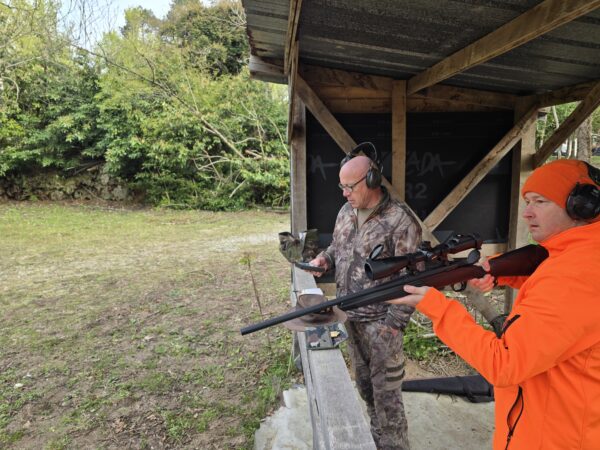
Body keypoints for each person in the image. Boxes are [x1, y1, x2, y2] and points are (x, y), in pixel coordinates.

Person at [388, 159, 600, 449]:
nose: (527, 212)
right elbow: (559, 302)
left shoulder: (575, 275)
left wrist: (438, 308)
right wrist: (501, 272)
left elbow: (503, 364)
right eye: (527, 201)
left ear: (583, 207)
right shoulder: (579, 257)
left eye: (540, 202)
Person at [308, 142, 421, 450]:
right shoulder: (346, 211)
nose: (344, 193)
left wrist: (392, 326)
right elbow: (337, 247)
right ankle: (375, 442)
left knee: (388, 403)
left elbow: (414, 279)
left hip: (381, 324)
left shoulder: (401, 221)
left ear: (371, 180)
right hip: (350, 318)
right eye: (341, 187)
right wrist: (324, 260)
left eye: (350, 186)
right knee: (367, 391)